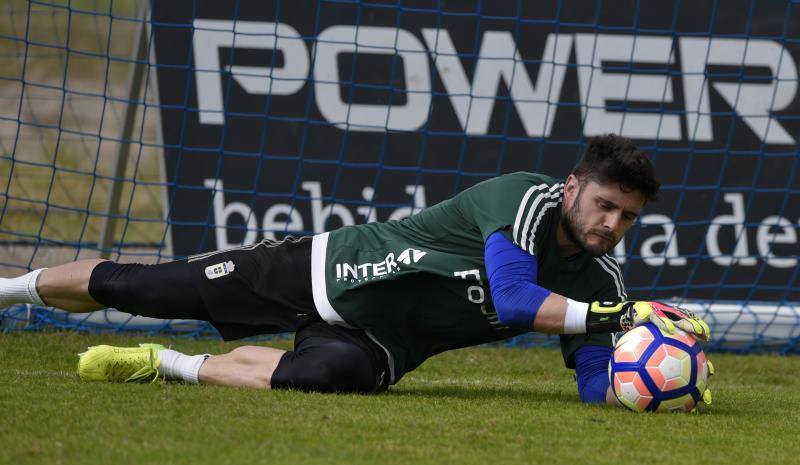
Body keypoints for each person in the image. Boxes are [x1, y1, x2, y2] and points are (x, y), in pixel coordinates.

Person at [0, 134, 711, 405]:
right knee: (136, 286)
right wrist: (622, 317)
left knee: (325, 376)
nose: (611, 224)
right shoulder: (523, 198)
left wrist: (662, 381)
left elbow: (593, 378)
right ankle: (10, 289)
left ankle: (164, 365)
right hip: (326, 271)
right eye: (604, 205)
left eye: (626, 217)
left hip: (383, 343)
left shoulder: (602, 284)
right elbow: (516, 299)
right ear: (571, 187)